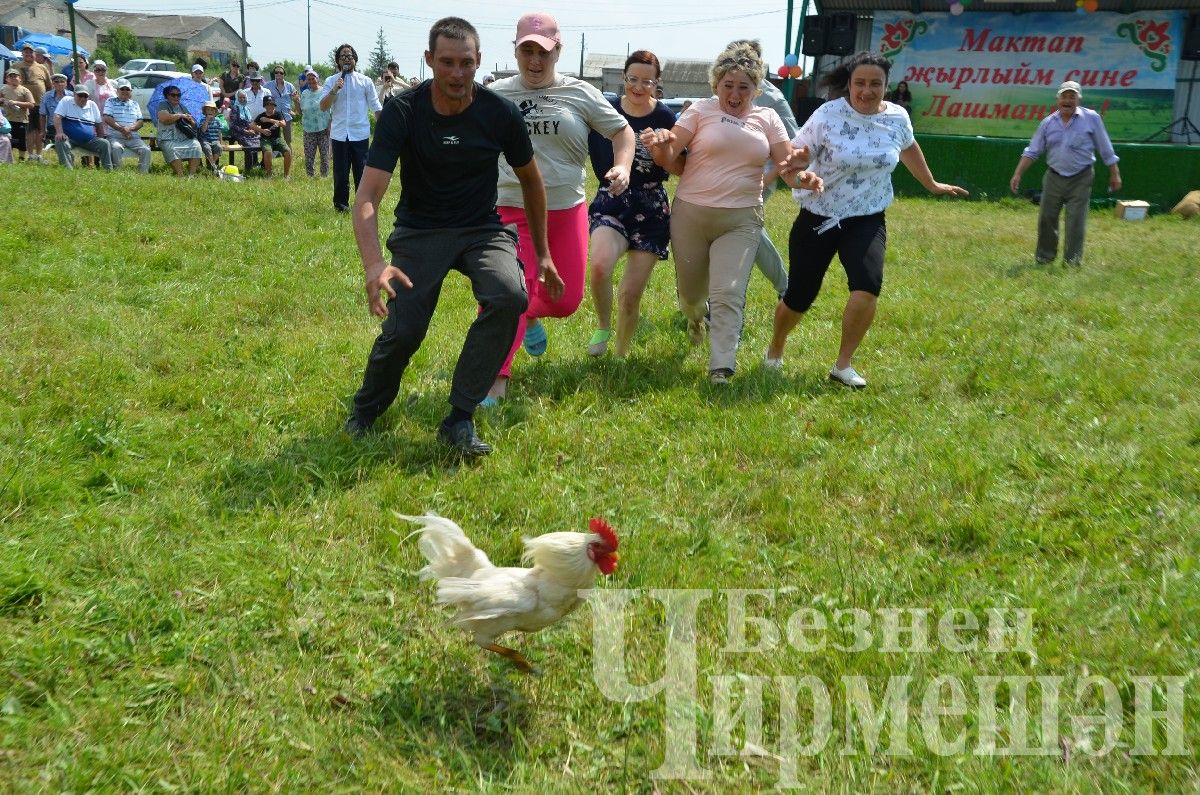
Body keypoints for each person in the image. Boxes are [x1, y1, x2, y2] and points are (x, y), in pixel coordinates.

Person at [343, 16, 552, 458]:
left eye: (467, 63)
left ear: (479, 62)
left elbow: (533, 182)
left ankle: (459, 417)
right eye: (447, 62)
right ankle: (365, 411)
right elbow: (368, 195)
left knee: (509, 294)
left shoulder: (499, 113)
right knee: (405, 332)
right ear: (429, 60)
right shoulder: (403, 111)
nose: (457, 74)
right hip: (421, 232)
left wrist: (546, 254)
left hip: (482, 228)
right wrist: (374, 264)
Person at [767, 51, 967, 389]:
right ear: (849, 84)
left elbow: (908, 147)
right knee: (801, 294)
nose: (867, 90)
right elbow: (792, 165)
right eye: (860, 83)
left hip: (867, 217)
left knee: (867, 285)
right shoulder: (828, 115)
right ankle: (775, 349)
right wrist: (803, 172)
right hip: (819, 214)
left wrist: (931, 184)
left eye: (876, 83)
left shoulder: (897, 118)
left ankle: (843, 365)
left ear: (887, 86)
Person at [642, 43, 818, 384]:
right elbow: (669, 157)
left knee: (729, 292)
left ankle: (721, 365)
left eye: (744, 87)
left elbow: (787, 167)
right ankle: (695, 318)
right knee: (692, 297)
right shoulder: (699, 111)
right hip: (691, 215)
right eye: (728, 85)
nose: (735, 94)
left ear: (756, 89)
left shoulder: (768, 118)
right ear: (716, 85)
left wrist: (802, 174)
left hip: (741, 219)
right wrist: (660, 145)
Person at [484, 11, 633, 403]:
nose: (535, 61)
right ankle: (494, 381)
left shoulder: (580, 93)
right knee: (506, 294)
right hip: (508, 206)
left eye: (544, 52)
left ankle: (529, 314)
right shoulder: (496, 95)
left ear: (558, 51)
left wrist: (622, 165)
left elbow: (622, 131)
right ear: (516, 50)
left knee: (566, 301)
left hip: (565, 209)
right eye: (527, 51)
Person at [584, 49, 677, 358]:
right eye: (632, 79)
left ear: (657, 84)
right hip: (611, 200)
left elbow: (677, 165)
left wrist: (663, 147)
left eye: (647, 82)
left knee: (630, 295)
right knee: (599, 267)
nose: (638, 87)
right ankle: (602, 324)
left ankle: (621, 356)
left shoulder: (665, 117)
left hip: (651, 207)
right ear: (624, 78)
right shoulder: (606, 110)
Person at [1010, 80, 1120, 267]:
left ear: (1079, 99)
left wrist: (1114, 173)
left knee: (1075, 220)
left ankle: (1072, 261)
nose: (1067, 100)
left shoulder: (1091, 118)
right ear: (1057, 99)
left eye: (1072, 96)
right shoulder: (1047, 123)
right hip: (1054, 176)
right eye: (1064, 96)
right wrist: (1017, 174)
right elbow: (1033, 151)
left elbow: (1105, 148)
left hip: (1081, 176)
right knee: (1046, 217)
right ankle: (1044, 258)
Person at [731, 38, 798, 299]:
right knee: (747, 229)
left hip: (761, 176)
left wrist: (771, 172)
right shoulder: (725, 87)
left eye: (745, 59)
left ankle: (785, 289)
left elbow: (793, 141)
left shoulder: (773, 99)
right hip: (725, 174)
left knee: (746, 226)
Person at [319, 44, 383, 212]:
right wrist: (334, 90)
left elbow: (376, 107)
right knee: (340, 172)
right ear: (338, 62)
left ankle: (362, 205)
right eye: (342, 56)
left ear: (355, 59)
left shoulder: (365, 81)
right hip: (339, 134)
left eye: (349, 56)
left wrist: (384, 131)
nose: (346, 59)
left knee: (361, 173)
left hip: (360, 134)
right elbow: (323, 106)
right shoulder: (331, 81)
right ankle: (341, 206)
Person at [53, 85, 113, 169]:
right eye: (80, 95)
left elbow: (99, 125)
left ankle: (108, 170)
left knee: (104, 143)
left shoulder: (92, 105)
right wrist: (60, 132)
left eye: (85, 96)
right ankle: (67, 169)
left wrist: (100, 138)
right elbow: (57, 116)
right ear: (74, 94)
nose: (83, 98)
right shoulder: (66, 101)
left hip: (89, 141)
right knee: (60, 140)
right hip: (70, 139)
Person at [102, 78, 152, 172]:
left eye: (127, 89)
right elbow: (107, 118)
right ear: (117, 91)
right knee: (116, 148)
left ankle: (143, 174)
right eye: (122, 89)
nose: (125, 91)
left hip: (133, 136)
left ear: (131, 91)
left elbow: (140, 122)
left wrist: (129, 129)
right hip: (115, 136)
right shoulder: (110, 101)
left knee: (146, 150)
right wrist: (122, 129)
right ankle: (118, 173)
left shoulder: (135, 104)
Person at [156, 84, 204, 176]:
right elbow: (164, 119)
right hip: (167, 138)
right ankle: (180, 175)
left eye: (178, 95)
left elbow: (194, 124)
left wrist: (190, 120)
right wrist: (180, 115)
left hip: (184, 137)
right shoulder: (163, 105)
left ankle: (191, 176)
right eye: (173, 95)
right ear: (167, 96)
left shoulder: (182, 107)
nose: (176, 97)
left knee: (196, 145)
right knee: (172, 149)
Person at [15, 44, 51, 162]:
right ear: (22, 54)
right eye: (26, 52)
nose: (28, 54)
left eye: (31, 52)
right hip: (24, 104)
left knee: (41, 130)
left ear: (35, 54)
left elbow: (49, 86)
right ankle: (30, 155)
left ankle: (39, 155)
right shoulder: (15, 66)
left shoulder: (42, 67)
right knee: (29, 131)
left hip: (40, 104)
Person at [298, 70, 331, 177]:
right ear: (307, 81)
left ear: (318, 79)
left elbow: (331, 110)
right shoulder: (304, 93)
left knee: (325, 155)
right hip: (308, 129)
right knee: (309, 155)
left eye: (313, 78)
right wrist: (295, 101)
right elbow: (300, 111)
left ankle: (324, 176)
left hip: (323, 128)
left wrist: (330, 126)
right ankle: (310, 176)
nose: (311, 81)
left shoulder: (324, 92)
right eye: (309, 79)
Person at [0, 68, 35, 162]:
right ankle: (7, 157)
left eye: (15, 76)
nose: (13, 78)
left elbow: (32, 104)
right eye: (10, 76)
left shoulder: (25, 90)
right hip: (7, 119)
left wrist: (16, 103)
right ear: (6, 79)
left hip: (21, 119)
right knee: (8, 138)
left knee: (21, 140)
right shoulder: (3, 89)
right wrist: (2, 100)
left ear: (20, 79)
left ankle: (21, 158)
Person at [254, 95, 291, 177]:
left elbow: (283, 124)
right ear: (265, 106)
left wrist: (268, 120)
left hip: (277, 138)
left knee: (288, 151)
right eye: (268, 104)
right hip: (265, 139)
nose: (270, 106)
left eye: (272, 104)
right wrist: (262, 131)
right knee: (268, 152)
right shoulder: (261, 115)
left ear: (274, 105)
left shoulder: (278, 114)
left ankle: (286, 175)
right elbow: (252, 125)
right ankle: (269, 175)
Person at [268, 64, 297, 145]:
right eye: (276, 72)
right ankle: (274, 155)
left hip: (286, 115)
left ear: (284, 74)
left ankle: (289, 156)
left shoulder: (290, 86)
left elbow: (296, 98)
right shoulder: (268, 85)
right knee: (273, 138)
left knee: (288, 140)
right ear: (274, 74)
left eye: (281, 73)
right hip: (273, 115)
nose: (278, 74)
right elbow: (262, 95)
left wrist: (293, 111)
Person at [198, 99, 224, 171]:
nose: (210, 111)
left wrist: (221, 142)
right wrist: (207, 120)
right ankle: (213, 165)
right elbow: (203, 130)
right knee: (207, 148)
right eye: (208, 110)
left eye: (212, 110)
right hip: (205, 140)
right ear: (205, 111)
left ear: (215, 111)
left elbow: (219, 132)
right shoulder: (203, 120)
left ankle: (212, 164)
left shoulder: (217, 120)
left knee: (219, 147)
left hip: (215, 140)